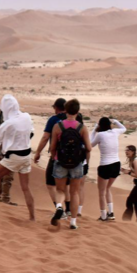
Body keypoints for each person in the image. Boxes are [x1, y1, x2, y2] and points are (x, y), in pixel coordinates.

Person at [33, 98, 83, 220]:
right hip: (74, 160)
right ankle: (69, 211)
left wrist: (38, 152)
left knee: (51, 184)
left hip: (57, 158)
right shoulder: (74, 120)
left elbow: (46, 137)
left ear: (56, 107)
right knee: (66, 186)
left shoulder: (54, 120)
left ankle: (59, 209)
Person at [0, 94, 36, 220]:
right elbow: (32, 131)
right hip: (27, 156)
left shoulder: (8, 123)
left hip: (14, 157)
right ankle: (32, 217)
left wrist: (6, 141)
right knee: (25, 188)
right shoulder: (26, 116)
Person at [48, 98, 91, 230]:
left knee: (60, 190)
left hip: (60, 162)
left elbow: (53, 146)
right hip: (77, 164)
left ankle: (59, 207)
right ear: (77, 111)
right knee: (74, 193)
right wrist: (87, 163)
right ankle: (73, 222)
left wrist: (54, 158)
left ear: (66, 110)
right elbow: (88, 148)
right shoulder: (82, 127)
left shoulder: (58, 126)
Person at [90, 116, 127, 222]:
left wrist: (94, 129)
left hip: (105, 165)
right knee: (107, 189)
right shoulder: (115, 132)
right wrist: (115, 121)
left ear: (100, 125)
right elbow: (124, 128)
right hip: (116, 165)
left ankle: (103, 215)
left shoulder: (100, 135)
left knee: (101, 192)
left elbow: (90, 144)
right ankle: (111, 213)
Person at [0, 109, 16, 206]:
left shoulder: (0, 116)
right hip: (6, 147)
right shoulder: (8, 118)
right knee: (8, 173)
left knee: (2, 173)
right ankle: (5, 199)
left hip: (1, 146)